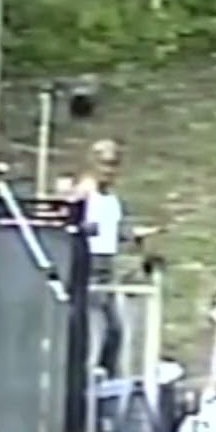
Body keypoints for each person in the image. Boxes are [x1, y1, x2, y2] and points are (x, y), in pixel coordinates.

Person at [68, 139, 155, 378]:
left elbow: (114, 231)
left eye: (114, 165)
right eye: (104, 164)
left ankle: (109, 377)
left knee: (115, 330)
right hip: (87, 264)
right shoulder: (84, 192)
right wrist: (82, 227)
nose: (110, 170)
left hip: (108, 264)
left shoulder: (112, 200)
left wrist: (134, 235)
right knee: (93, 326)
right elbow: (67, 222)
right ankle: (86, 376)